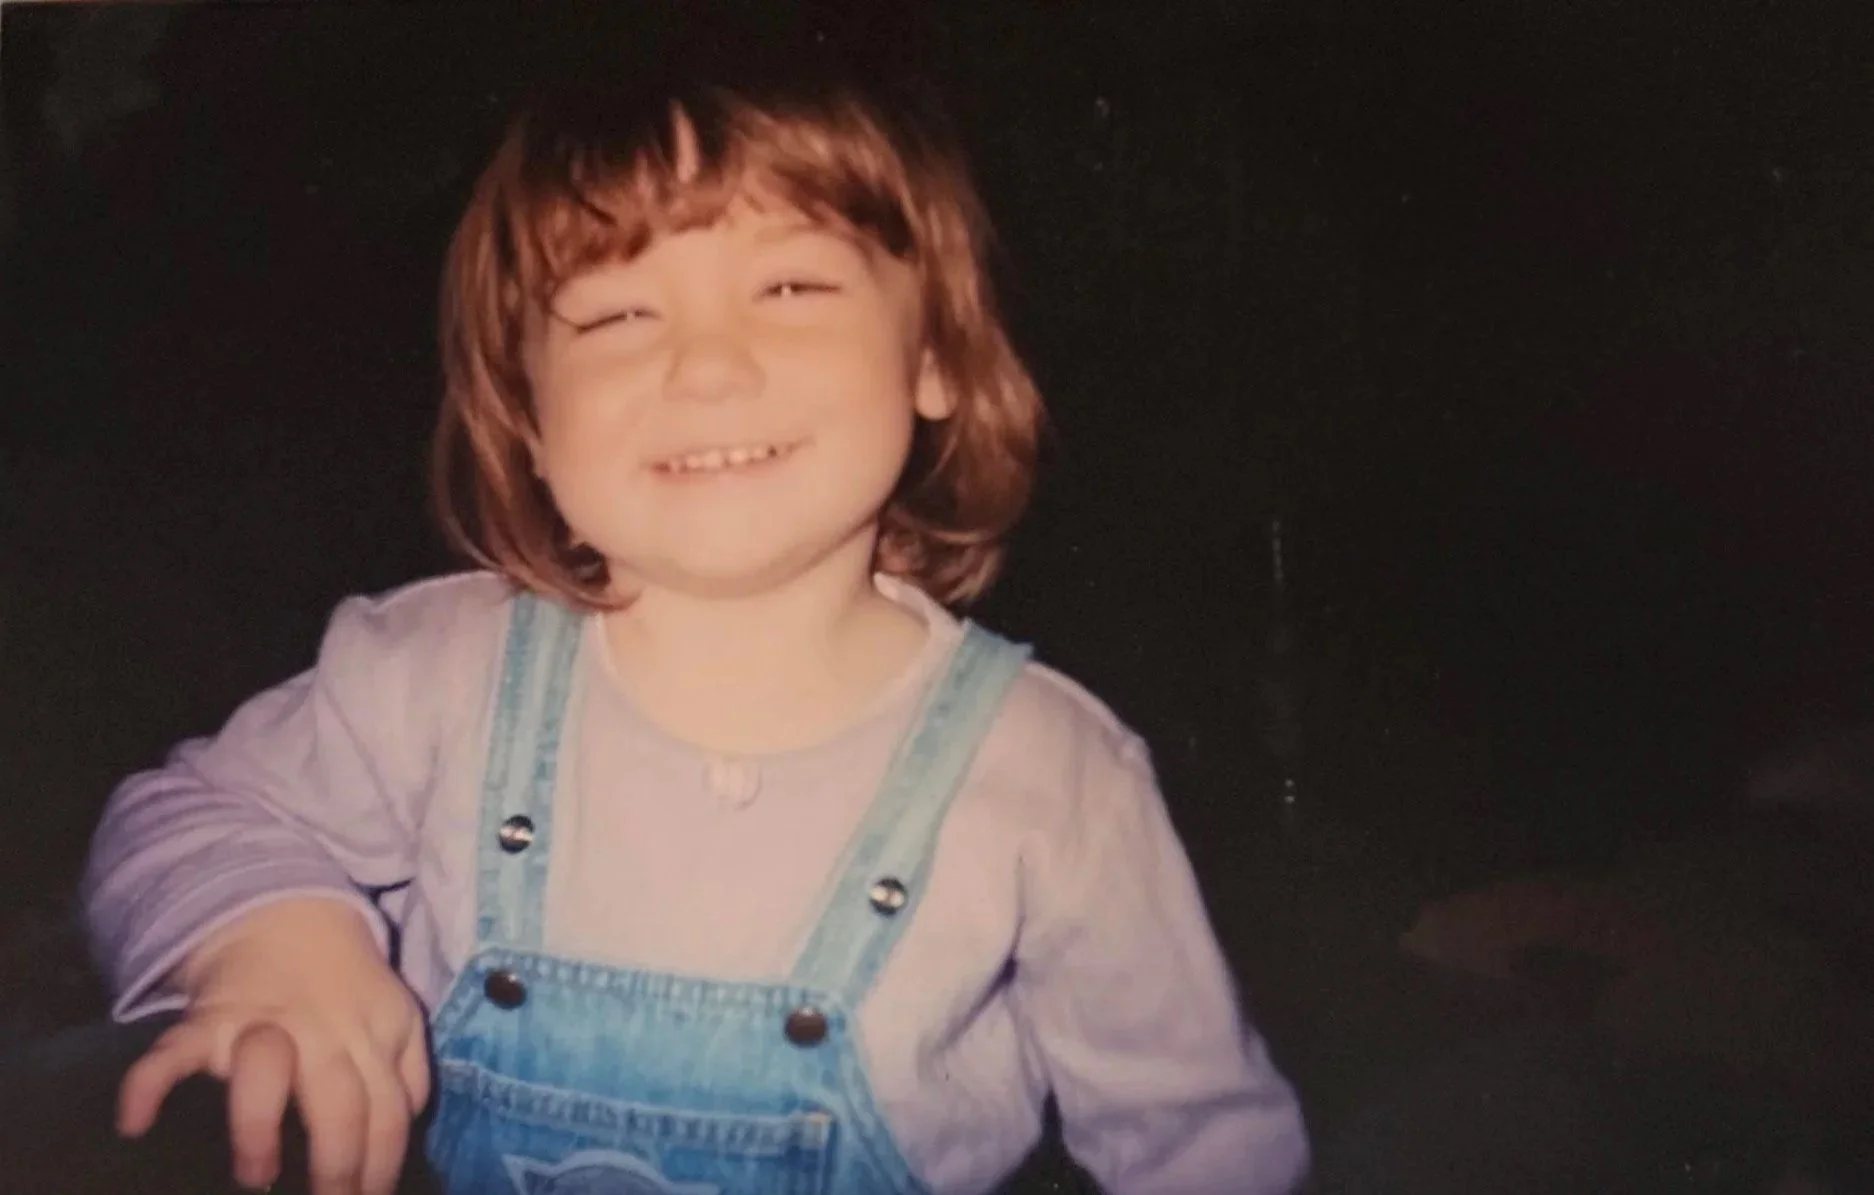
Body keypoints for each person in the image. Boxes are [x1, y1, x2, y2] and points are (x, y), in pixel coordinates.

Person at [77, 23, 1310, 1195]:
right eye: (617, 314)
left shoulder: (1052, 772)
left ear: (934, 356)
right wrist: (274, 938)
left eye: (788, 288)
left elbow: (1201, 1146)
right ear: (532, 421)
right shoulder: (430, 672)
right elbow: (180, 815)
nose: (706, 365)